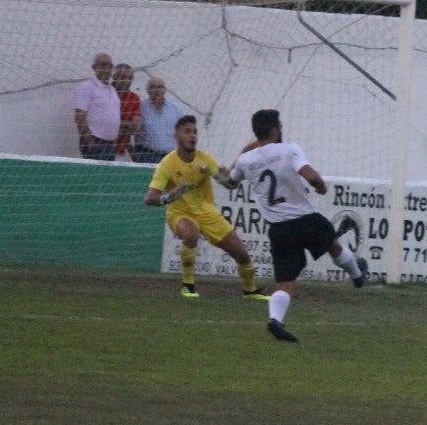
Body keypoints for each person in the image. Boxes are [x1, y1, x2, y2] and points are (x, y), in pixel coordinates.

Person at [225, 109, 369, 343]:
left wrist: (243, 152)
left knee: (285, 282)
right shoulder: (289, 149)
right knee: (333, 245)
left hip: (279, 229)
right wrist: (320, 185)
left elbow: (230, 182)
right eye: (279, 126)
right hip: (304, 219)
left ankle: (275, 319)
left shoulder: (245, 160)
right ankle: (357, 273)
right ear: (274, 129)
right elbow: (309, 175)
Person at [143, 114, 269, 301]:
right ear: (176, 135)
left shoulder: (205, 160)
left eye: (195, 132)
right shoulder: (167, 164)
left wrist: (242, 157)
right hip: (179, 213)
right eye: (187, 131)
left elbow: (229, 183)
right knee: (191, 234)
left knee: (242, 254)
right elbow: (150, 198)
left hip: (207, 213)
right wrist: (168, 197)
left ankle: (250, 290)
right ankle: (188, 284)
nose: (192, 136)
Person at [72, 52, 120, 161]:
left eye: (109, 65)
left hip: (109, 144)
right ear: (94, 67)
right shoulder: (86, 87)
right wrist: (90, 141)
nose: (106, 68)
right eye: (103, 65)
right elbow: (79, 116)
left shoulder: (112, 89)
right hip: (95, 142)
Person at [135, 77, 183, 164]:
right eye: (152, 87)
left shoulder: (175, 108)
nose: (156, 90)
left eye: (160, 87)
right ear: (147, 91)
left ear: (164, 90)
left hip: (171, 156)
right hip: (148, 155)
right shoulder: (141, 107)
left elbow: (183, 132)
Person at [112, 63, 142, 161]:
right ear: (115, 78)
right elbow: (102, 124)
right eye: (123, 77)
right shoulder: (106, 93)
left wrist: (116, 124)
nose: (127, 81)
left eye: (130, 78)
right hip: (105, 145)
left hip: (125, 150)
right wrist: (126, 125)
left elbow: (136, 128)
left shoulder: (134, 98)